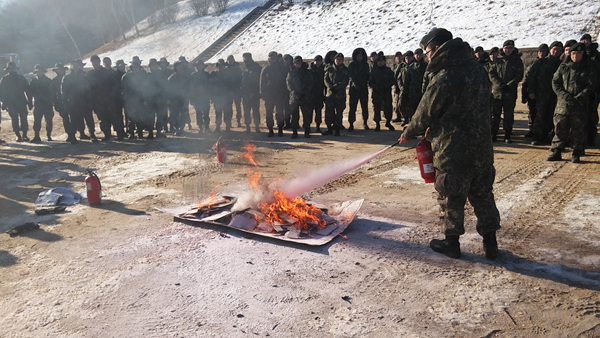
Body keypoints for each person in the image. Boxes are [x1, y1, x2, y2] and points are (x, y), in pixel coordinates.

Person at [399, 28, 501, 260]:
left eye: (427, 52)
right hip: (482, 147)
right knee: (483, 194)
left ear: (435, 49)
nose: (427, 57)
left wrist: (409, 132)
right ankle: (491, 244)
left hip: (453, 149)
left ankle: (451, 243)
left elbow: (425, 111)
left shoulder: (444, 76)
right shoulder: (477, 69)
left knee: (451, 196)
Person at [547, 43, 598, 163]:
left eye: (579, 53)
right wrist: (565, 96)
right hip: (563, 105)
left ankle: (576, 152)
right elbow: (555, 83)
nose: (576, 56)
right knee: (559, 128)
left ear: (583, 54)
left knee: (578, 130)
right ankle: (557, 151)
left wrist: (579, 97)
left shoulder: (588, 68)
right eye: (574, 53)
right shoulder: (563, 67)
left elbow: (591, 85)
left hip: (579, 105)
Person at [489, 40, 524, 143]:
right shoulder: (497, 60)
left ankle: (507, 134)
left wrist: (509, 84)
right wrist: (500, 84)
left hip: (510, 92)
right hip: (497, 92)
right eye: (506, 48)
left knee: (508, 114)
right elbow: (492, 74)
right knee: (495, 114)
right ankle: (494, 133)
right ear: (502, 48)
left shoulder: (517, 61)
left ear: (513, 49)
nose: (508, 50)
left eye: (510, 48)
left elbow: (519, 75)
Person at [529, 41, 563, 145]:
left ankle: (546, 134)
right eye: (554, 49)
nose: (556, 51)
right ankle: (536, 135)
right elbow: (531, 77)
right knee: (540, 114)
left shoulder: (561, 64)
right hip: (541, 94)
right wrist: (531, 91)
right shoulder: (541, 62)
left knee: (550, 115)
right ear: (550, 50)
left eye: (558, 50)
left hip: (554, 95)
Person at [62, 59, 97, 142]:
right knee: (74, 119)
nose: (75, 67)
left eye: (77, 65)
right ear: (71, 67)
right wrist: (65, 102)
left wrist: (89, 101)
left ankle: (92, 134)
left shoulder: (84, 76)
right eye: (73, 65)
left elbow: (89, 89)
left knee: (89, 118)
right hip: (73, 102)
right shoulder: (67, 78)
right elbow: (64, 91)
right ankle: (73, 135)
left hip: (84, 101)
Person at [0, 61, 32, 142]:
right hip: (11, 103)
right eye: (11, 68)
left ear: (16, 69)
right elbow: (1, 92)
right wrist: (4, 102)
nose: (12, 70)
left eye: (14, 68)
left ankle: (25, 135)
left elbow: (28, 90)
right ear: (8, 70)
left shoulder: (21, 78)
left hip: (21, 101)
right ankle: (18, 135)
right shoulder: (5, 79)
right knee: (14, 119)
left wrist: (30, 101)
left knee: (24, 119)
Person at [260, 51, 287, 137]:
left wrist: (285, 93)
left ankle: (280, 129)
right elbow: (262, 83)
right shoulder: (266, 69)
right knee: (269, 113)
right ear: (269, 59)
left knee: (279, 113)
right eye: (271, 58)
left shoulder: (282, 68)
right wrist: (262, 94)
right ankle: (270, 129)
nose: (273, 59)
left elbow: (285, 81)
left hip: (279, 94)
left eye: (274, 58)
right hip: (269, 95)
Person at [286, 55, 313, 138]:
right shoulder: (291, 73)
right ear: (294, 64)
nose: (298, 64)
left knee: (306, 115)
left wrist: (305, 92)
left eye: (299, 63)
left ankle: (307, 131)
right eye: (297, 63)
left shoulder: (307, 72)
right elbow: (288, 84)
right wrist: (294, 92)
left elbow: (310, 83)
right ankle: (294, 132)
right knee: (294, 116)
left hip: (305, 97)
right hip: (295, 97)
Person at [323, 53, 349, 136]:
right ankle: (329, 128)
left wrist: (336, 87)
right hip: (330, 95)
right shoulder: (329, 69)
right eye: (337, 59)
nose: (338, 61)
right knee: (329, 112)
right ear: (334, 60)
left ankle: (337, 129)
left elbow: (345, 81)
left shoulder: (345, 70)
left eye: (340, 60)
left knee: (339, 113)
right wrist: (330, 87)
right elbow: (325, 79)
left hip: (340, 95)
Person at [369, 55, 395, 131]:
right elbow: (370, 82)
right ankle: (377, 124)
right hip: (377, 93)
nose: (380, 63)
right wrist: (376, 87)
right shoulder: (374, 71)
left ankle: (388, 122)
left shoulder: (388, 70)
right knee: (376, 109)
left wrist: (387, 86)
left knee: (388, 108)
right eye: (379, 61)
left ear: (384, 62)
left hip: (386, 92)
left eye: (382, 61)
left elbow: (392, 80)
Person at [29, 64, 54, 143]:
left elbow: (51, 93)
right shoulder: (33, 81)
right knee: (37, 121)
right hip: (38, 104)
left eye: (40, 71)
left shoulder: (48, 81)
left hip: (47, 104)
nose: (39, 72)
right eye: (37, 71)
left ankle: (49, 135)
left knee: (49, 120)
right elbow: (30, 92)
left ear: (43, 71)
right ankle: (36, 136)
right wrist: (31, 101)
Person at [347, 47, 370, 131]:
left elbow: (367, 76)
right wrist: (355, 84)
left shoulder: (365, 65)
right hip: (354, 89)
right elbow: (350, 75)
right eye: (358, 56)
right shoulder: (352, 65)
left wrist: (362, 83)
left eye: (361, 56)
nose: (359, 57)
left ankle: (365, 122)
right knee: (352, 108)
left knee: (364, 107)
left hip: (363, 89)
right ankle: (351, 124)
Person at [51, 63, 73, 143]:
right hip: (61, 102)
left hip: (71, 101)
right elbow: (53, 94)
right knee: (65, 119)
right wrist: (55, 103)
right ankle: (70, 134)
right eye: (58, 70)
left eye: (61, 69)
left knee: (74, 118)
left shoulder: (70, 78)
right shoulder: (54, 81)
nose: (60, 71)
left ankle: (74, 133)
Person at [166, 61, 190, 135]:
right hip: (174, 100)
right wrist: (169, 99)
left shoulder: (185, 77)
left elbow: (188, 87)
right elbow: (168, 90)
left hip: (183, 99)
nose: (180, 68)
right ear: (175, 68)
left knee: (183, 114)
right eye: (179, 67)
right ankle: (176, 128)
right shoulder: (172, 78)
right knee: (174, 114)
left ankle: (181, 128)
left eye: (181, 67)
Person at [241, 52, 262, 132]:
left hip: (254, 93)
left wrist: (253, 92)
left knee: (255, 110)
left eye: (246, 58)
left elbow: (257, 81)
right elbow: (242, 82)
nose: (245, 60)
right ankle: (248, 126)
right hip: (245, 94)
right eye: (244, 58)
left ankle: (257, 126)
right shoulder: (244, 68)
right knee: (246, 111)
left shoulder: (256, 67)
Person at [148, 58, 168, 138]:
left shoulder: (162, 74)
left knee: (160, 116)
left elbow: (166, 86)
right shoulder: (148, 75)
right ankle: (150, 132)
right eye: (152, 65)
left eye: (155, 65)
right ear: (150, 66)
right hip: (151, 99)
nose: (154, 66)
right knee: (150, 117)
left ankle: (159, 132)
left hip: (161, 99)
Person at [309, 55, 326, 133]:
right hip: (310, 94)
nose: (318, 63)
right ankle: (308, 126)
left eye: (320, 61)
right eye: (317, 61)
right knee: (309, 111)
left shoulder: (323, 70)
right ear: (314, 61)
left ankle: (318, 126)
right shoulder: (309, 70)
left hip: (319, 94)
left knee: (318, 111)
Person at [226, 55, 244, 128]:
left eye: (231, 60)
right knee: (229, 108)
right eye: (229, 60)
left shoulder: (238, 69)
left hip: (237, 91)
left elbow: (241, 80)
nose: (230, 61)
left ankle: (238, 121)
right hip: (229, 92)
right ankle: (229, 122)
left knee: (238, 107)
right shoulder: (226, 70)